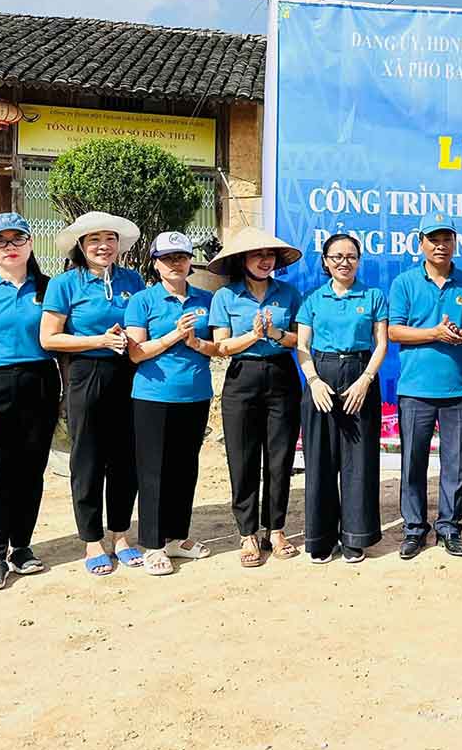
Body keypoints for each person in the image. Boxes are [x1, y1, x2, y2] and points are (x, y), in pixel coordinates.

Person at [40, 211, 145, 576]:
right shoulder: (64, 283)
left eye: (110, 239)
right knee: (87, 459)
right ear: (81, 246)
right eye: (94, 240)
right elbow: (50, 337)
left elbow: (143, 324)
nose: (103, 245)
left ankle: (120, 535)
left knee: (124, 458)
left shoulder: (133, 280)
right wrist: (98, 340)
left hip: (129, 374)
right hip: (86, 373)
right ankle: (91, 540)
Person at [388, 214, 462, 560]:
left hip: (458, 389)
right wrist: (434, 333)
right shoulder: (404, 283)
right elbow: (394, 331)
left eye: (447, 239)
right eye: (433, 239)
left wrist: (459, 333)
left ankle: (449, 528)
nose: (440, 245)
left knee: (454, 464)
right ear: (421, 243)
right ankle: (414, 529)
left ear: (454, 243)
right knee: (413, 463)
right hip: (415, 390)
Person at [208, 226, 304, 568]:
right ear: (242, 260)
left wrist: (276, 333)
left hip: (281, 375)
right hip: (241, 378)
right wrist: (252, 335)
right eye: (257, 255)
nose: (265, 261)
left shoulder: (289, 294)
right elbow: (221, 346)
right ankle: (247, 532)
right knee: (243, 457)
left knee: (279, 458)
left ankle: (275, 529)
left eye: (269, 255)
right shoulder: (225, 297)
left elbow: (300, 340)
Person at [124, 232, 218, 577]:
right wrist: (175, 336)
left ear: (190, 260)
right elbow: (135, 353)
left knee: (184, 468)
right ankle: (153, 544)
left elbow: (216, 346)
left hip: (195, 393)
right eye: (168, 258)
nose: (176, 263)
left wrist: (196, 343)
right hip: (153, 396)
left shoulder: (206, 299)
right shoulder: (143, 300)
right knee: (153, 472)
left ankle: (178, 537)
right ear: (156, 263)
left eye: (181, 257)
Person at [296, 233, 388, 564]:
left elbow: (381, 344)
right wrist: (314, 381)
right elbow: (302, 346)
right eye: (336, 256)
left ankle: (354, 536)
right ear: (325, 261)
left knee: (358, 460)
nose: (344, 262)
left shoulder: (374, 296)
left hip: (360, 375)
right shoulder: (313, 299)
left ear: (359, 260)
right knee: (320, 460)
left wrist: (366, 379)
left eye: (350, 256)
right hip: (321, 375)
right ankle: (320, 537)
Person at [0, 213, 59, 590]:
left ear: (31, 243)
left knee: (30, 473)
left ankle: (22, 547)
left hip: (40, 383)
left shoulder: (49, 288)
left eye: (18, 239)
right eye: (1, 241)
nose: (10, 247)